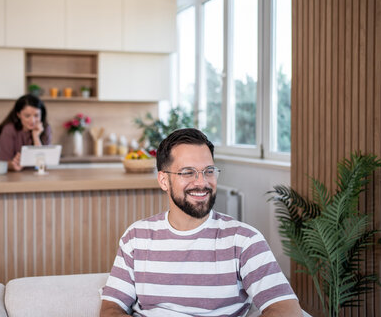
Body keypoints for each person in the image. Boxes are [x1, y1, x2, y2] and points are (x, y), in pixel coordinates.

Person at [100, 128, 302, 317]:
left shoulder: (244, 241)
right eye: (188, 172)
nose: (201, 182)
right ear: (163, 181)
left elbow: (286, 309)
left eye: (209, 171)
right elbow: (111, 307)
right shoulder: (136, 237)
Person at [0, 94, 51, 171]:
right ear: (18, 115)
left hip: (36, 176)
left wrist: (36, 136)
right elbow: (3, 163)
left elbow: (42, 165)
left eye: (36, 115)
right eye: (27, 116)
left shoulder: (45, 128)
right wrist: (13, 165)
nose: (32, 121)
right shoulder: (9, 130)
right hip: (14, 177)